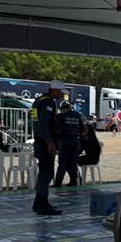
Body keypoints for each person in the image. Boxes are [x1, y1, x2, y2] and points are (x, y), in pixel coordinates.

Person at [31, 79, 66, 215]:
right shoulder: (47, 102)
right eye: (60, 92)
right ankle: (42, 204)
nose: (62, 95)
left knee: (44, 173)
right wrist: (49, 141)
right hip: (44, 143)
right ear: (54, 90)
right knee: (46, 173)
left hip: (40, 142)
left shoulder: (39, 100)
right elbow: (43, 123)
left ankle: (39, 203)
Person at [53, 100, 85, 187]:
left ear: (62, 108)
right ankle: (74, 180)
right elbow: (83, 129)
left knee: (63, 162)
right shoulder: (77, 115)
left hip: (64, 141)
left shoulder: (60, 116)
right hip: (75, 140)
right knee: (73, 162)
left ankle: (58, 182)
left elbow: (56, 129)